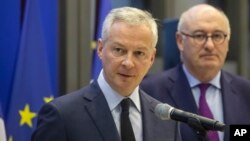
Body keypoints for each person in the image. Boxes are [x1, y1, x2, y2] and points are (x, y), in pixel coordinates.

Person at [32, 7, 181, 141]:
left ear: (152, 58)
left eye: (139, 53)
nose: (128, 63)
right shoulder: (62, 115)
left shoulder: (166, 119)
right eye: (119, 50)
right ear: (100, 49)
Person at [141, 4, 250, 141]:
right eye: (199, 36)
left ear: (227, 41)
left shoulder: (246, 92)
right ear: (180, 41)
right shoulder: (150, 92)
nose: (209, 45)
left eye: (217, 36)